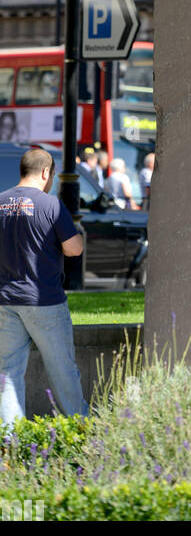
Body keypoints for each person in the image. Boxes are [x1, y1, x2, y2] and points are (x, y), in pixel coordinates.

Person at [0, 146, 87, 429]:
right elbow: (73, 249)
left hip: (5, 300)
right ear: (46, 173)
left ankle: (10, 442)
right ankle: (80, 429)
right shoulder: (51, 205)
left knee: (8, 372)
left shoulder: (0, 202)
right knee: (62, 370)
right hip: (44, 300)